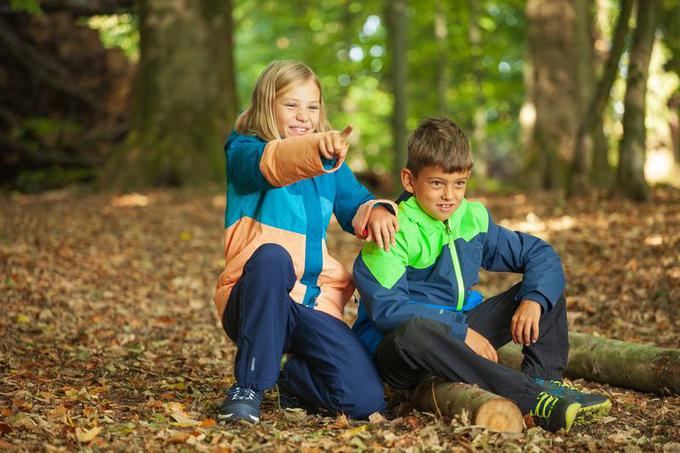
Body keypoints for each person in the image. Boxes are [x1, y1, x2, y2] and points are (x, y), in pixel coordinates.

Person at [352, 117, 611, 432]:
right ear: (410, 180)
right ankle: (532, 399)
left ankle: (544, 384)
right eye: (437, 183)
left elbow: (540, 254)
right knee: (416, 332)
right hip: (402, 353)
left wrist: (532, 301)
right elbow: (388, 310)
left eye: (458, 183)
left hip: (458, 328)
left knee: (544, 288)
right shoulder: (392, 229)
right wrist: (459, 332)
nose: (450, 195)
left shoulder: (471, 218)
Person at [213, 60, 399, 424]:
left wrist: (377, 211)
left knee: (365, 401)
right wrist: (315, 149)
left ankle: (293, 380)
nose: (303, 116)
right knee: (272, 257)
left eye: (312, 107)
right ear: (268, 106)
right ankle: (248, 387)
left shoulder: (329, 164)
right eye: (291, 105)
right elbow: (274, 164)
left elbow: (356, 203)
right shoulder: (245, 149)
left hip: (311, 303)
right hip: (254, 297)